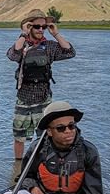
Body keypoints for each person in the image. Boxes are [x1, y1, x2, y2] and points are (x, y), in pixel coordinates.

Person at [0, 101, 103, 194]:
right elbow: (26, 177)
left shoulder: (88, 152)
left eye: (72, 126)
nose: (68, 131)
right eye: (61, 128)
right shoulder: (37, 148)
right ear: (49, 132)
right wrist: (34, 190)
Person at [7, 9, 76, 160]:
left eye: (43, 27)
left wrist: (55, 34)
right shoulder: (22, 45)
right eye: (36, 26)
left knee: (45, 135)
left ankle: (42, 164)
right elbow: (12, 55)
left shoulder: (50, 47)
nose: (40, 30)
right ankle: (18, 166)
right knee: (19, 136)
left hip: (44, 98)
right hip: (23, 98)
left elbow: (70, 52)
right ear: (29, 26)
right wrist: (23, 34)